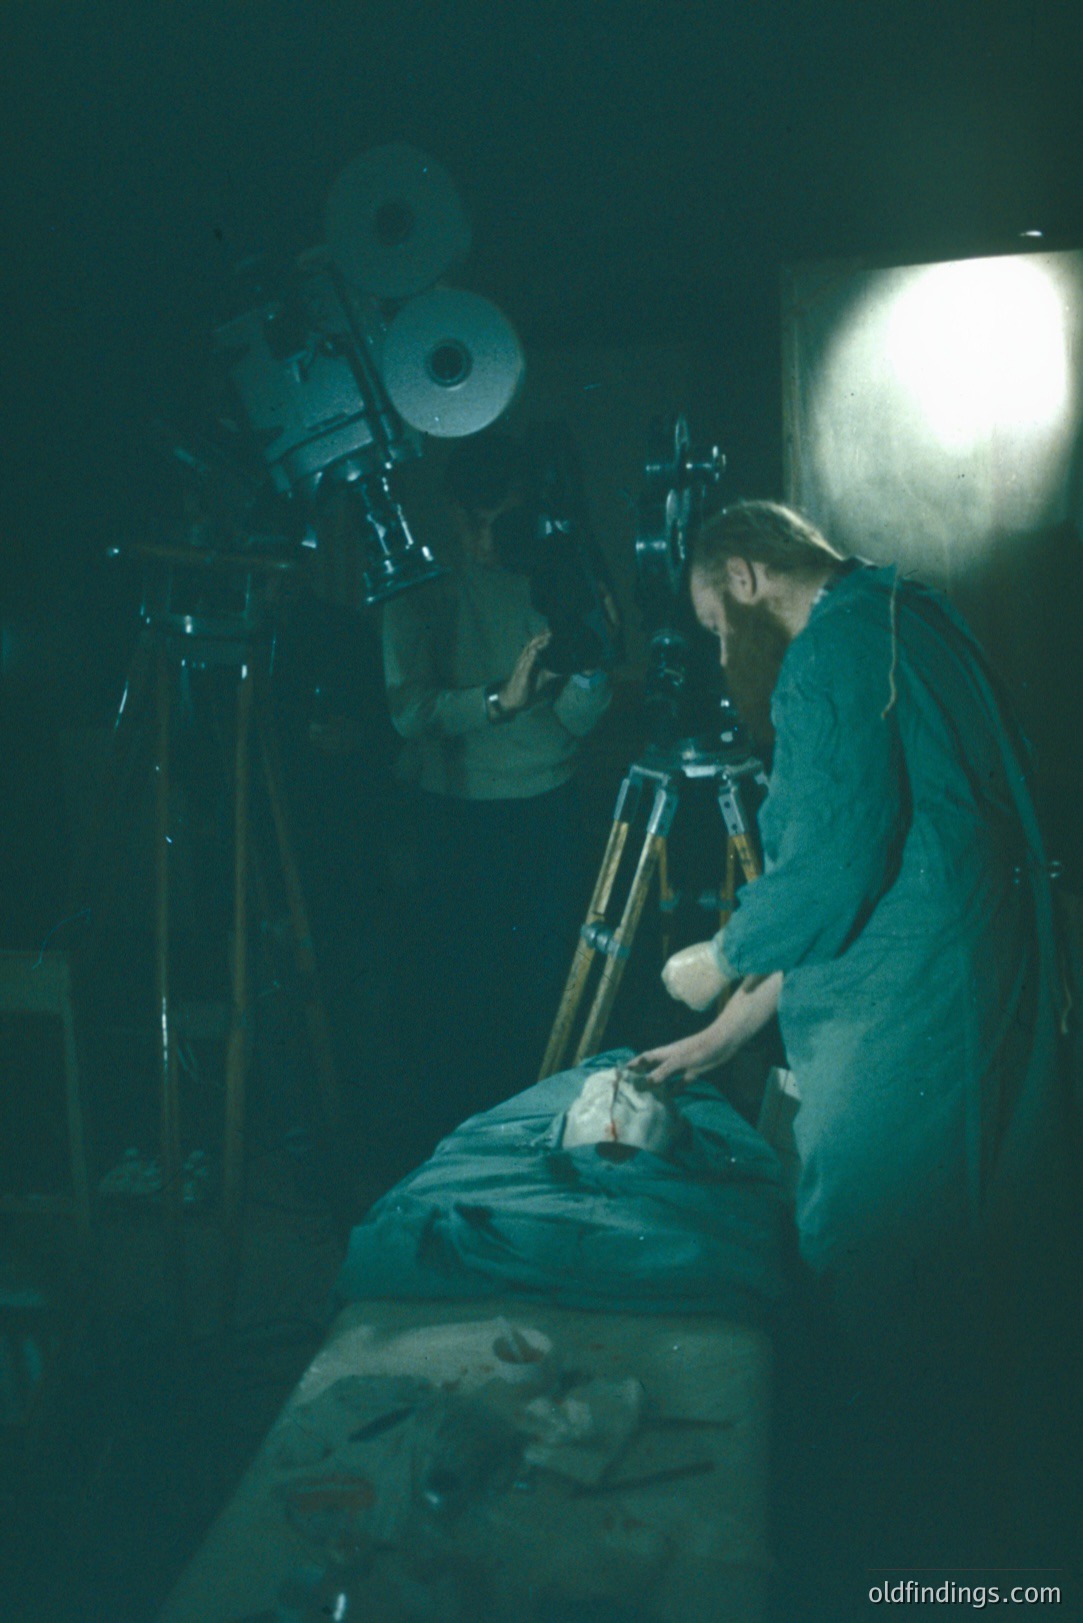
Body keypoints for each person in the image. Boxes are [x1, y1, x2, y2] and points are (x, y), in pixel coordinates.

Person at [633, 500, 1075, 1572]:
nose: (720, 649)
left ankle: (928, 1564)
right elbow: (872, 858)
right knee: (963, 1261)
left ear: (743, 577)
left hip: (907, 1011)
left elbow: (828, 878)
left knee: (885, 1262)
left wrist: (718, 959)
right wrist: (717, 1044)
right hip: (966, 984)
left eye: (713, 624)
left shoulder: (827, 657)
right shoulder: (906, 613)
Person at [382, 432, 614, 1134]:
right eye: (473, 519)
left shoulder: (552, 576)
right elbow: (407, 714)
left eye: (503, 518)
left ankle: (535, 1142)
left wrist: (591, 659)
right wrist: (495, 701)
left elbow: (578, 721)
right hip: (454, 813)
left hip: (544, 807)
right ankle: (456, 1152)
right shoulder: (420, 587)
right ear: (452, 511)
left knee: (545, 996)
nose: (488, 537)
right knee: (455, 1000)